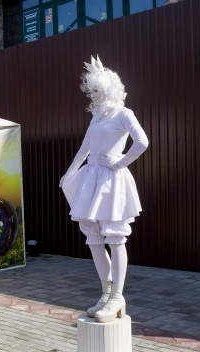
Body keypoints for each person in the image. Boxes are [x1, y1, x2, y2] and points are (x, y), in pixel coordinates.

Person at [60, 56, 149, 323]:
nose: (94, 94)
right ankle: (106, 293)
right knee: (95, 238)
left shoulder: (124, 113)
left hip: (112, 181)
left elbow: (142, 141)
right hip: (92, 179)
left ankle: (117, 296)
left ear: (110, 88)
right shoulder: (97, 117)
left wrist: (120, 162)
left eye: (98, 89)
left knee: (115, 237)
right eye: (92, 90)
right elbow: (85, 148)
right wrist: (70, 172)